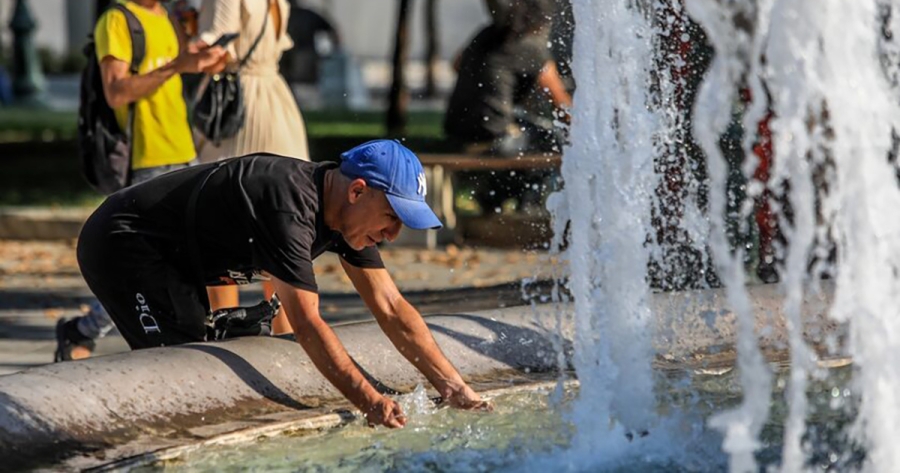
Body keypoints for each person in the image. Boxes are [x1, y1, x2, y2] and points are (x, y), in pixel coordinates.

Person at [74, 139, 489, 427]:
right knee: (177, 366)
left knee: (202, 360)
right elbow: (307, 323)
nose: (394, 235)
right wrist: (370, 402)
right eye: (393, 217)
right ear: (358, 191)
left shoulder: (346, 217)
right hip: (124, 243)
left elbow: (392, 308)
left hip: (177, 258)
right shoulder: (289, 208)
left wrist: (456, 389)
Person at [55, 0, 227, 362]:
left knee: (195, 258)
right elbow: (116, 91)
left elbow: (174, 72)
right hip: (144, 162)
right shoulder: (118, 20)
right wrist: (176, 65)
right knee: (139, 271)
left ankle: (190, 340)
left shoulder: (165, 15)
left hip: (184, 152)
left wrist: (197, 62)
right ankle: (82, 331)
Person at [194, 0, 312, 335]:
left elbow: (214, 47)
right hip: (276, 102)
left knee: (217, 223)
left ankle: (224, 324)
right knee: (282, 223)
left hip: (240, 108)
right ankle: (287, 330)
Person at [444, 0, 572, 214]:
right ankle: (526, 208)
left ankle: (492, 200)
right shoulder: (530, 47)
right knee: (554, 141)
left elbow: (456, 64)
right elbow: (563, 106)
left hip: (457, 131)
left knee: (522, 121)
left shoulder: (486, 34)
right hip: (492, 138)